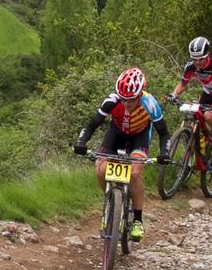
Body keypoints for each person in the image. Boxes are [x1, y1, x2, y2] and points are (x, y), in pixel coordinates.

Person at [73, 67, 170, 242]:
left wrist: (165, 152)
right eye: (123, 99)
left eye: (131, 100)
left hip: (139, 137)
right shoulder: (111, 101)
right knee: (100, 169)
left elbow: (163, 133)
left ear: (140, 95)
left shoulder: (150, 103)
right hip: (116, 134)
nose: (126, 104)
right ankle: (111, 200)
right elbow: (92, 124)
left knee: (135, 172)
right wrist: (81, 142)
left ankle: (138, 220)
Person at [168, 36, 212, 156]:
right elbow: (183, 84)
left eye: (201, 59)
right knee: (194, 116)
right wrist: (174, 94)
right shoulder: (190, 66)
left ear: (208, 55)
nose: (197, 63)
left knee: (209, 117)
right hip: (207, 94)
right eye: (194, 59)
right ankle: (197, 147)